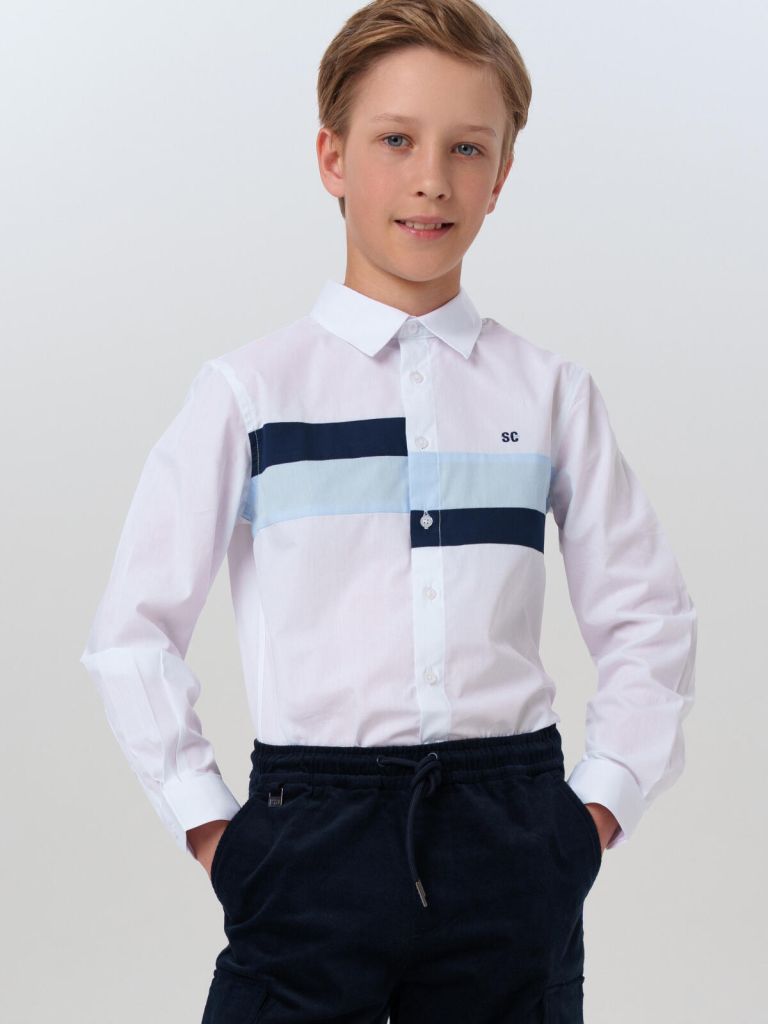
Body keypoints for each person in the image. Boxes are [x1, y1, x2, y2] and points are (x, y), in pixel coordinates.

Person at [79, 1, 698, 1021]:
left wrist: (595, 811)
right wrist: (213, 830)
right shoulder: (250, 393)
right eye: (397, 140)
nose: (431, 179)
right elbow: (131, 633)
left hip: (511, 839)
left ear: (501, 176)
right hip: (309, 837)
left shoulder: (550, 394)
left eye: (467, 148)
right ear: (333, 157)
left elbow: (650, 619)